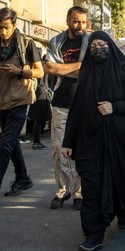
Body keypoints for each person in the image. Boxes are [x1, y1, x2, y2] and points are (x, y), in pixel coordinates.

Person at [62, 31, 125, 251]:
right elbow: (76, 110)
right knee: (91, 187)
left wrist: (114, 107)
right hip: (88, 141)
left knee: (118, 181)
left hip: (118, 141)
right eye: (93, 45)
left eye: (102, 44)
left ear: (110, 46)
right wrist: (68, 141)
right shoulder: (87, 72)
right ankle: (93, 234)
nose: (98, 49)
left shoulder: (123, 69)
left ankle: (122, 210)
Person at [45, 6, 88, 210]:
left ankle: (79, 192)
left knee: (81, 149)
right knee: (58, 149)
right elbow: (50, 68)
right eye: (76, 21)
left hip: (84, 104)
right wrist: (79, 67)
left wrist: (63, 69)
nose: (79, 26)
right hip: (61, 103)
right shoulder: (56, 41)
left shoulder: (91, 42)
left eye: (83, 22)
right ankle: (62, 190)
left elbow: (91, 73)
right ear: (68, 21)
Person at [0, 7, 44, 196]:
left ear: (14, 24)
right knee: (12, 142)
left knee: (5, 144)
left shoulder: (26, 43)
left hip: (20, 99)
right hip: (2, 100)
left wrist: (19, 71)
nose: (3, 32)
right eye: (0, 27)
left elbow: (40, 72)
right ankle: (23, 178)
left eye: (6, 27)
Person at [27, 52, 52, 150]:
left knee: (40, 120)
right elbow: (42, 82)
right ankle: (36, 142)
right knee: (38, 120)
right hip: (40, 95)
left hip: (42, 94)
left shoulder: (42, 66)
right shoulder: (42, 67)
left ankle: (37, 141)